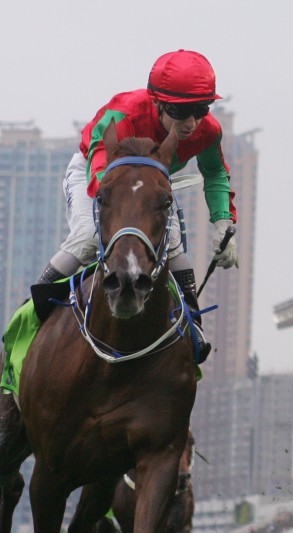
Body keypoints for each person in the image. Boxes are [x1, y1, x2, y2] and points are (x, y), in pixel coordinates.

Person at [36, 49, 239, 361]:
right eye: (181, 111)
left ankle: (194, 326)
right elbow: (103, 179)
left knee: (171, 246)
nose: (192, 123)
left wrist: (223, 223)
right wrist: (126, 208)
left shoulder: (207, 130)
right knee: (90, 236)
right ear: (157, 102)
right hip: (99, 176)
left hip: (148, 187)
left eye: (201, 109)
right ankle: (29, 318)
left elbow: (214, 172)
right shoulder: (123, 114)